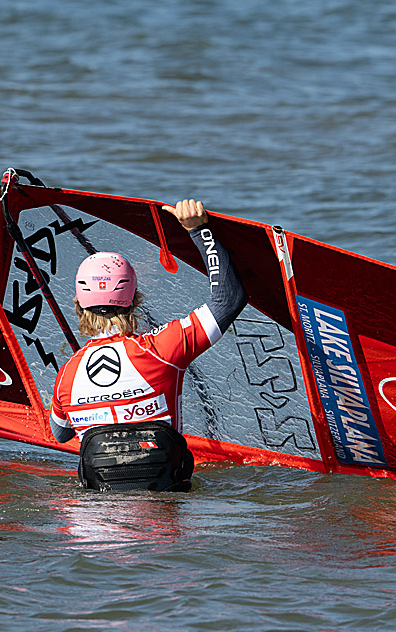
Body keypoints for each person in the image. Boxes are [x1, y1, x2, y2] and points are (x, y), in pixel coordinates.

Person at [49, 199, 248, 489]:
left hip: (90, 525)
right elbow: (229, 299)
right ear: (136, 300)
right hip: (162, 522)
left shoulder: (67, 375)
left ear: (79, 306)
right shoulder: (162, 349)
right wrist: (199, 230)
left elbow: (60, 434)